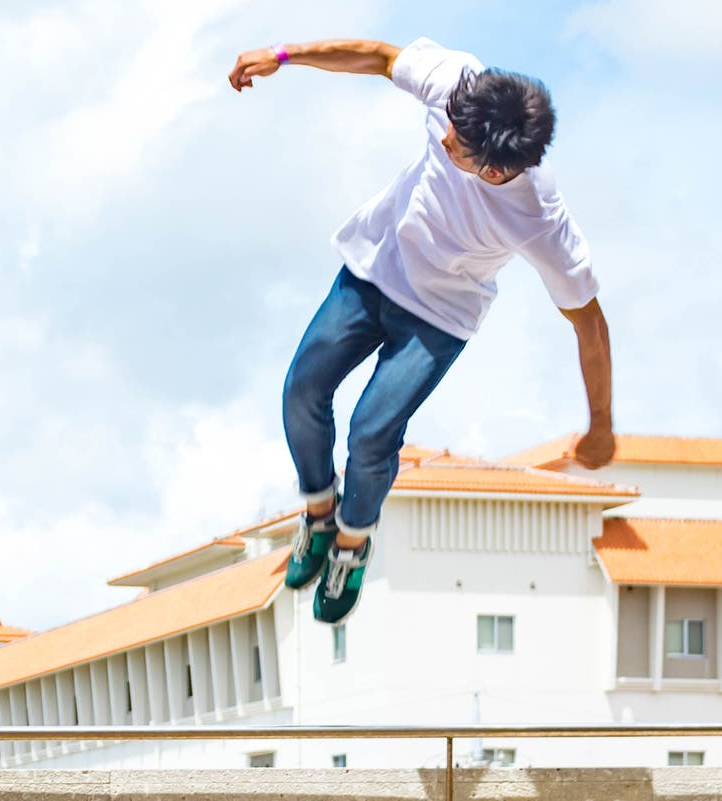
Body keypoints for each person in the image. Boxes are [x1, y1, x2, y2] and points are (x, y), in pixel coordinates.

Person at [228, 37, 615, 624]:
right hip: (374, 267)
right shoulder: (460, 85)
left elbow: (588, 323)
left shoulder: (541, 221)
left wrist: (601, 426)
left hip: (439, 316)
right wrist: (283, 57)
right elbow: (380, 56)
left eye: (455, 144)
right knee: (302, 391)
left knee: (372, 433)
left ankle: (352, 546)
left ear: (492, 169)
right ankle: (318, 510)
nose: (442, 136)